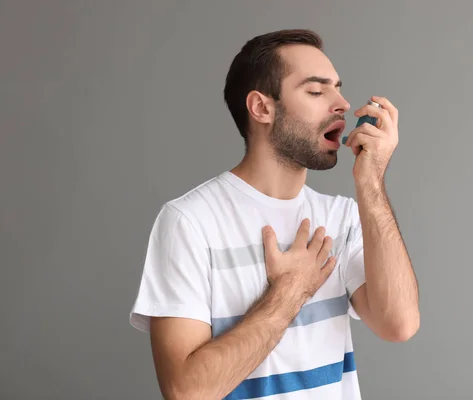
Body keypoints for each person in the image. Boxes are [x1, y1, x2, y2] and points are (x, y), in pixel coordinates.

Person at [129, 29, 420, 400]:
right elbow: (187, 392)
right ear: (262, 107)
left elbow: (400, 324)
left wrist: (372, 184)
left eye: (337, 88)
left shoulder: (343, 217)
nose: (343, 104)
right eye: (316, 91)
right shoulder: (190, 222)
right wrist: (289, 293)